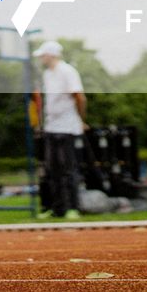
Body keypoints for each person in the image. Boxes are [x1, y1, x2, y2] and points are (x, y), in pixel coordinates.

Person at [31, 40, 87, 218]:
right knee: (52, 169)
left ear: (51, 54)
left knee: (68, 169)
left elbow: (79, 97)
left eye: (43, 55)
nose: (41, 58)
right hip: (51, 127)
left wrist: (80, 120)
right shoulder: (47, 74)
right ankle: (57, 208)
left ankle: (73, 207)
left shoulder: (67, 71)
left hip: (68, 127)